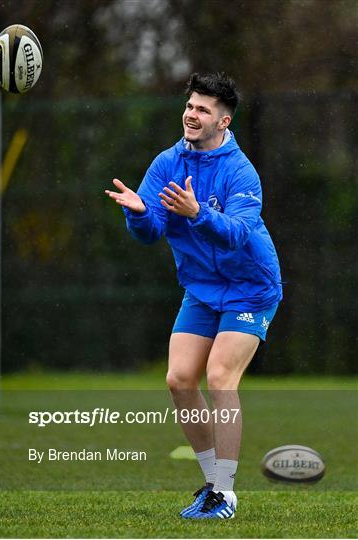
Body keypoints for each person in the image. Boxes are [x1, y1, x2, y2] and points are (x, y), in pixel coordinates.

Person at [105, 72, 282, 519]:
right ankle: (209, 485)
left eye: (203, 109)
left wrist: (198, 213)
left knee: (221, 376)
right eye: (189, 106)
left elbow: (239, 235)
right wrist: (142, 213)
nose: (191, 114)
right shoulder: (167, 163)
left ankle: (226, 493)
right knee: (180, 379)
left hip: (250, 288)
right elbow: (150, 232)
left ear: (223, 121)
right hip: (202, 288)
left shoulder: (241, 171)